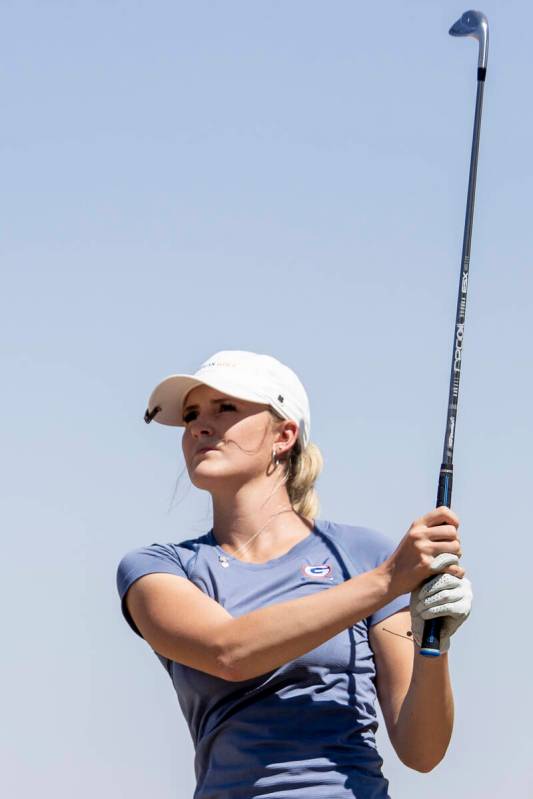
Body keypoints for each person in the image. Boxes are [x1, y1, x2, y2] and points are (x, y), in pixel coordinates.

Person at [116, 350, 472, 799]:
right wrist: (387, 581)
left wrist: (432, 644)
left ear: (284, 435)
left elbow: (423, 752)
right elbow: (230, 653)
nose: (198, 427)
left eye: (225, 408)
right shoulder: (159, 568)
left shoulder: (364, 555)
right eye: (191, 415)